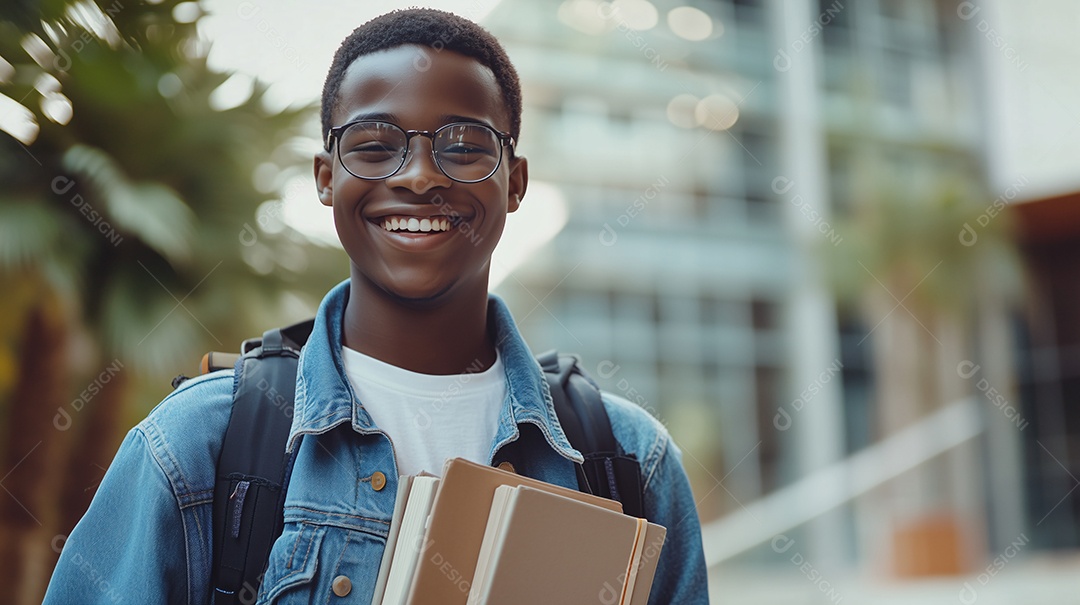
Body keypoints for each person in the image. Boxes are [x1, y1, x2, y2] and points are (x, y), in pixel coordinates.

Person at [43, 8, 708, 604]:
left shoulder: (629, 459)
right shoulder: (195, 446)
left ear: (517, 182)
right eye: (374, 146)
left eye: (464, 146)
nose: (418, 175)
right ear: (326, 179)